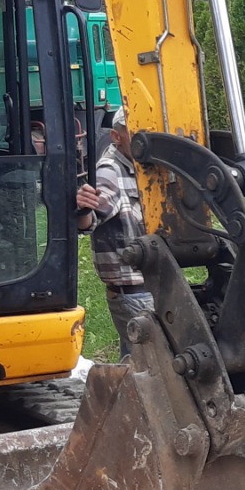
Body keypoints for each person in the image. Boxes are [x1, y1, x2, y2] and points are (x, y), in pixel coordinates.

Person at [75, 107, 152, 360]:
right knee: (151, 362)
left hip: (142, 288)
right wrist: (83, 209)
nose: (143, 138)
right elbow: (88, 222)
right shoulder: (110, 171)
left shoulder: (139, 165)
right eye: (134, 132)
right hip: (134, 292)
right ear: (116, 137)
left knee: (137, 361)